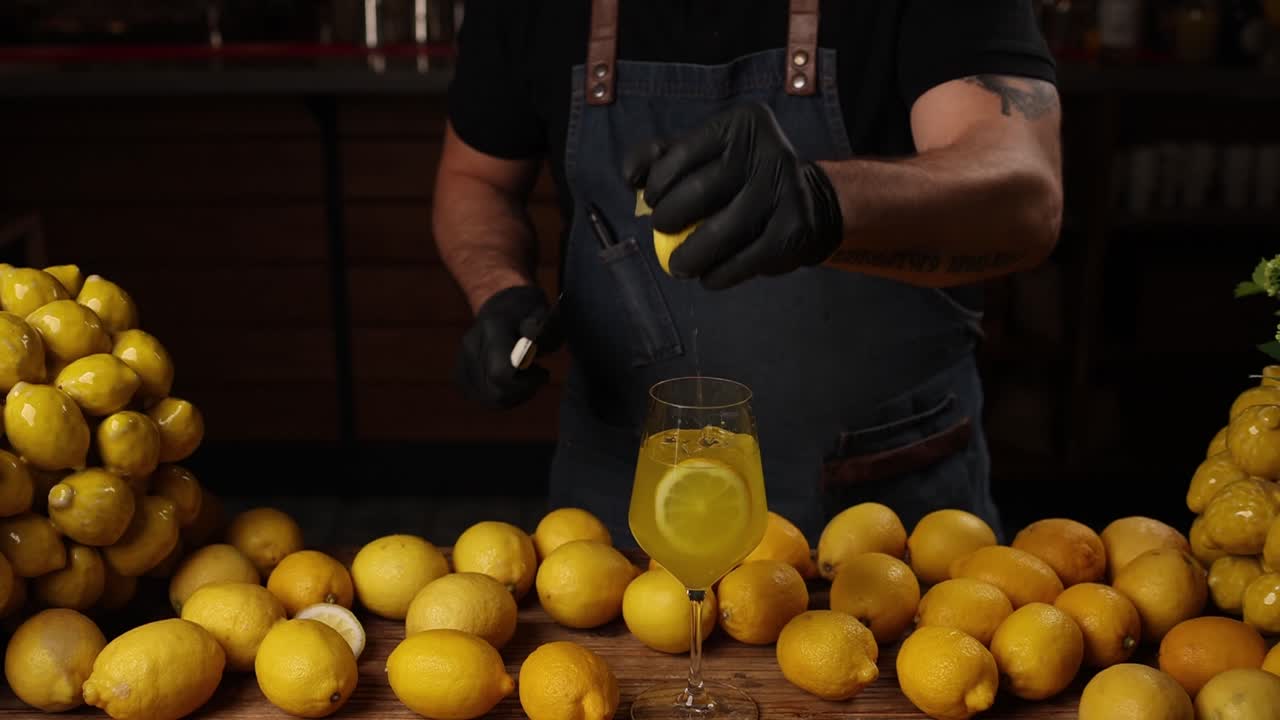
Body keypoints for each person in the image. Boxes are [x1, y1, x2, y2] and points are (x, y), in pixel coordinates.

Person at [435, 0, 1063, 545]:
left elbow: (1027, 197)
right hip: (627, 511)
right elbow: (476, 181)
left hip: (885, 516)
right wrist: (499, 291)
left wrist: (825, 202)